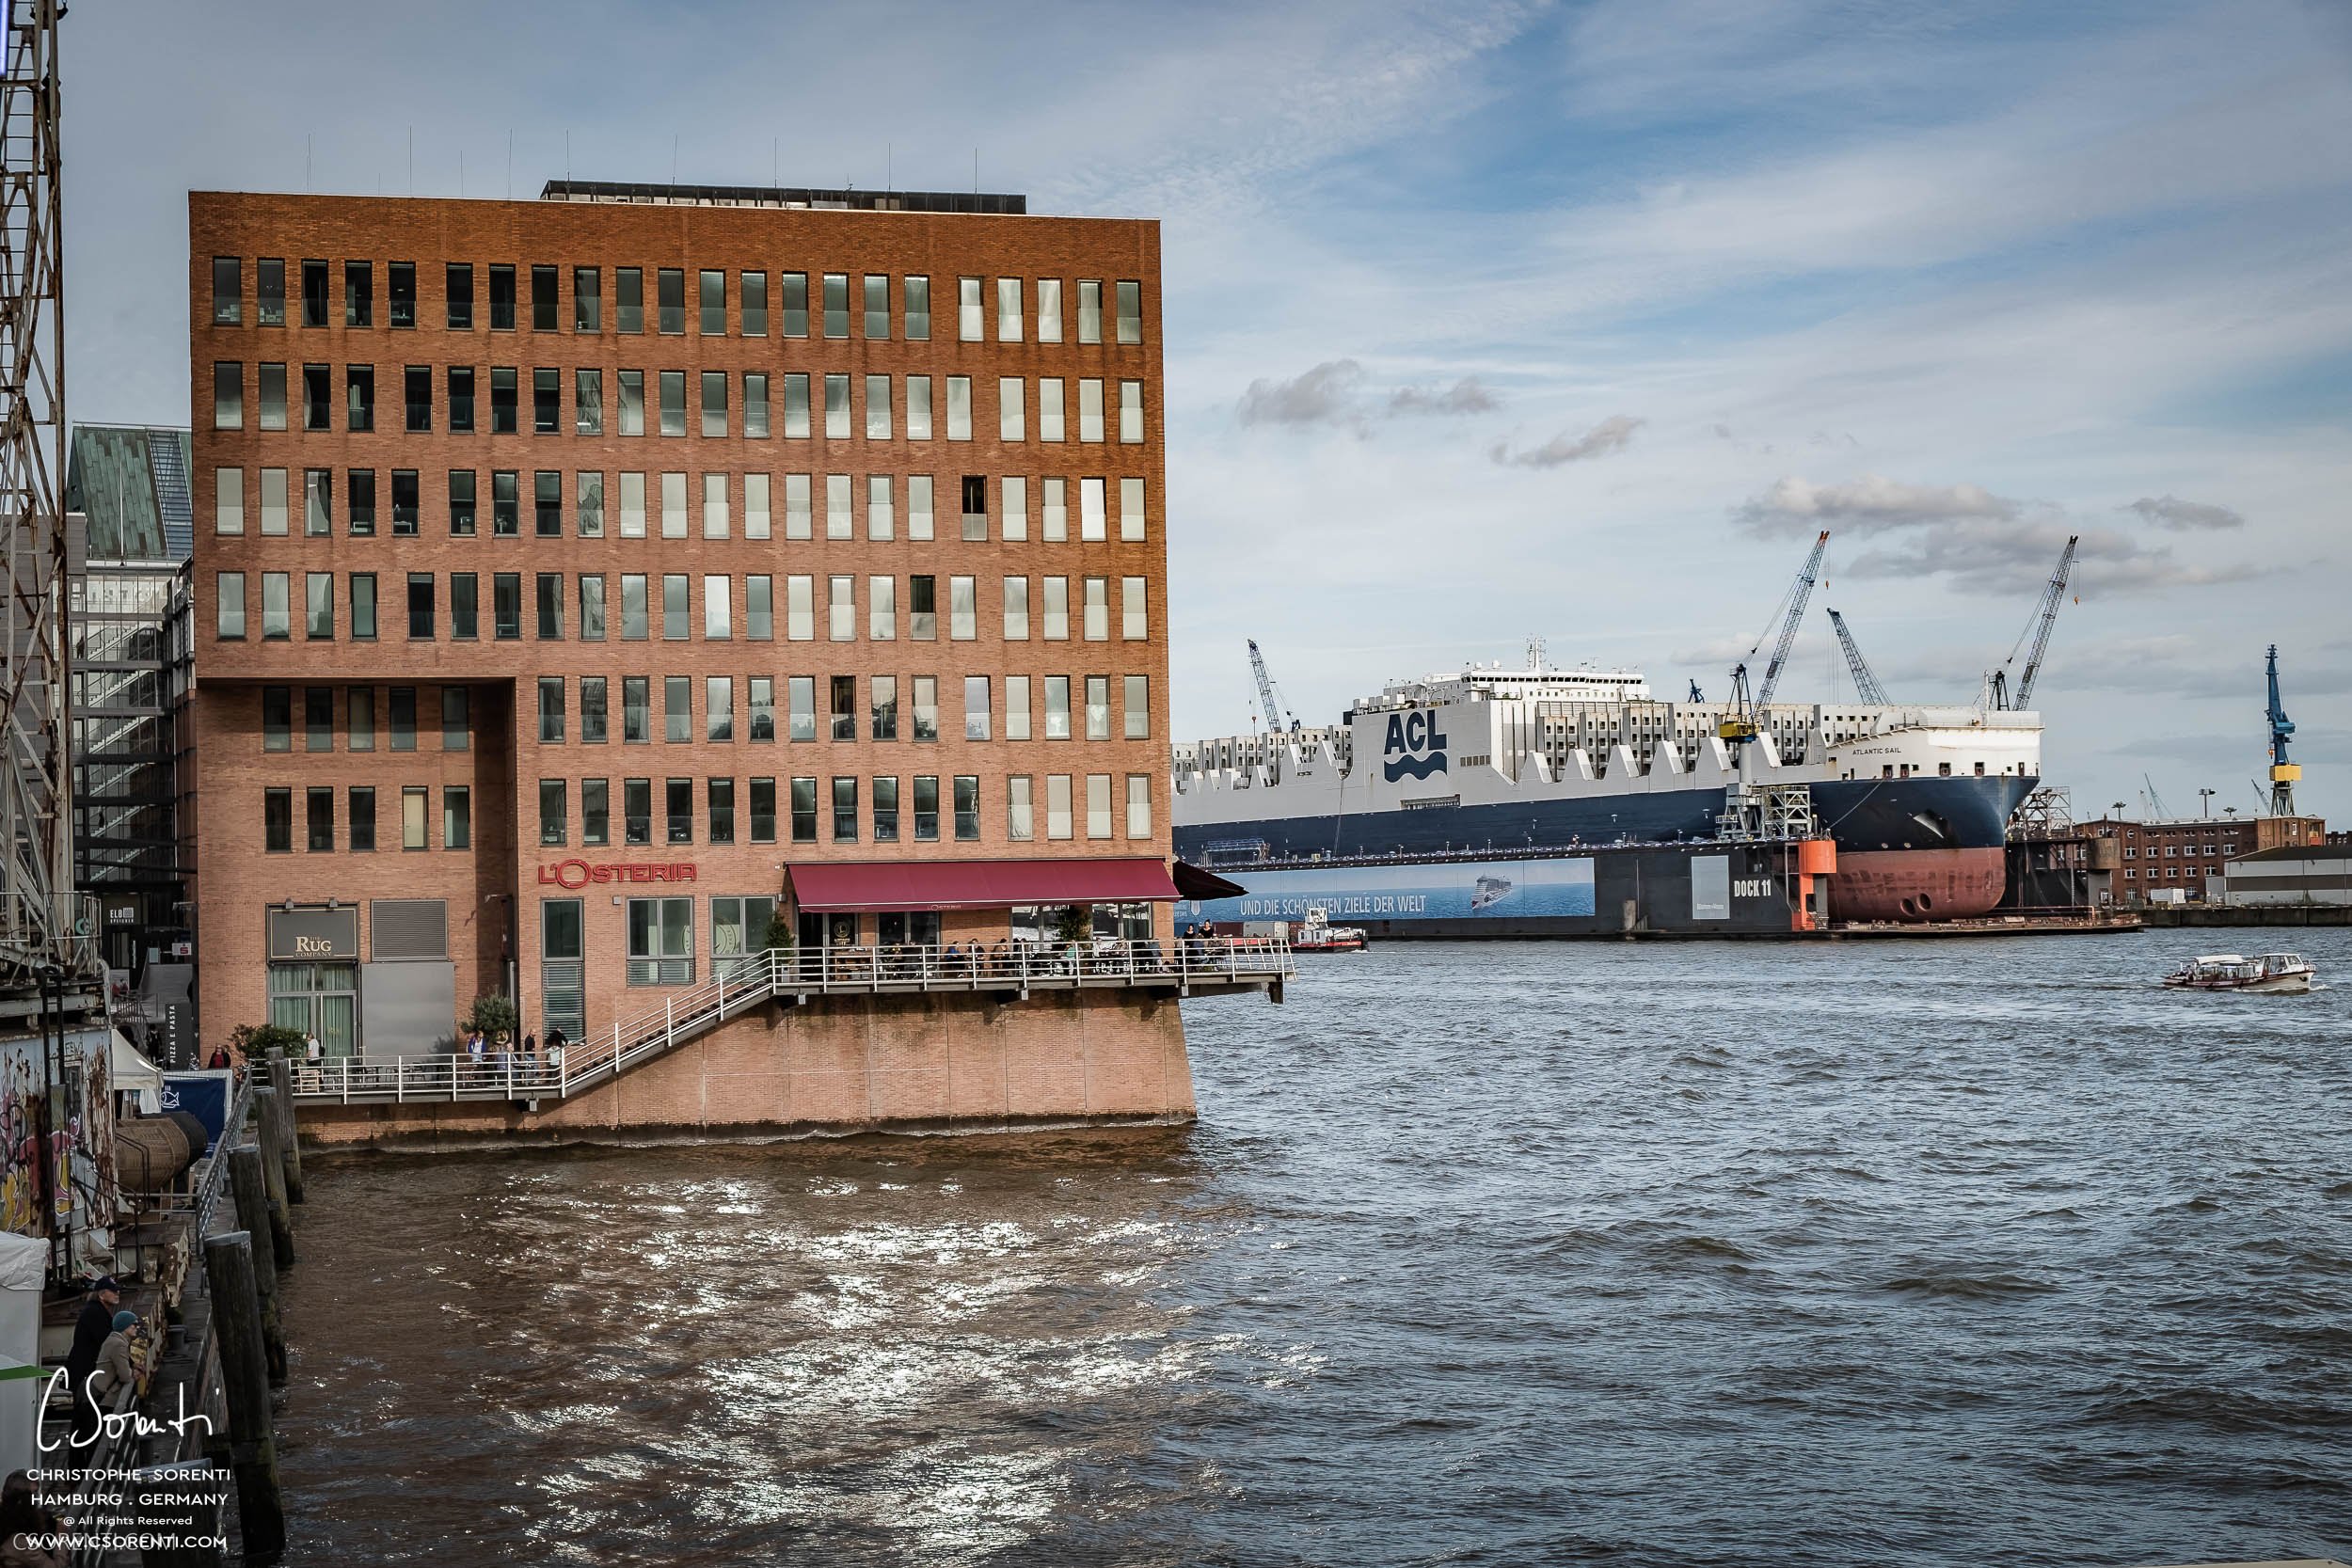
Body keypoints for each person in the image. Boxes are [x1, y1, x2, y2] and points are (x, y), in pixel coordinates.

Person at [61, 1277, 118, 1450]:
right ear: (101, 1294)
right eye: (113, 1291)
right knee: (86, 1421)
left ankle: (77, 1468)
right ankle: (84, 1466)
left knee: (82, 1422)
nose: (117, 1293)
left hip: (84, 1373)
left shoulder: (97, 1311)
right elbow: (108, 1343)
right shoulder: (95, 1313)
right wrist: (129, 1365)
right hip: (84, 1375)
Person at [0, 1470, 66, 1568]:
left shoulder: (7, 1517)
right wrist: (61, 1535)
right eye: (33, 1494)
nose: (36, 1499)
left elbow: (44, 1515)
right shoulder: (20, 1542)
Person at [87, 1311, 139, 1408]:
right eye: (134, 1324)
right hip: (105, 1397)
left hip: (99, 1392)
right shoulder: (119, 1344)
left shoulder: (113, 1340)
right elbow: (125, 1376)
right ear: (125, 1325)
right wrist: (133, 1372)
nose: (137, 1327)